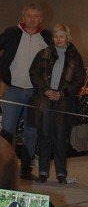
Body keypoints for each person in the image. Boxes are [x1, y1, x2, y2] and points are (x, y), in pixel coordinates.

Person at [0, 3, 52, 180]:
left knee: (31, 131)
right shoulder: (11, 33)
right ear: (23, 17)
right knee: (7, 129)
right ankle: (3, 169)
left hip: (35, 92)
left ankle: (25, 170)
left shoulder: (47, 37)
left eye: (36, 16)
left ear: (41, 19)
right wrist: (1, 69)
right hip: (13, 89)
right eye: (29, 15)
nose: (32, 19)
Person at [29, 23, 85, 184]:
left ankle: (61, 173)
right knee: (45, 135)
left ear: (67, 37)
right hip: (45, 98)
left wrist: (62, 93)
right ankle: (43, 172)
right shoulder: (43, 53)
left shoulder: (76, 56)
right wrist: (45, 90)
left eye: (61, 36)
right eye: (55, 36)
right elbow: (34, 73)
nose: (58, 39)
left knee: (61, 137)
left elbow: (79, 79)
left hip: (64, 101)